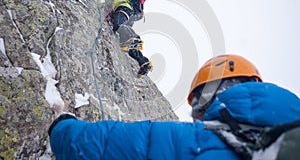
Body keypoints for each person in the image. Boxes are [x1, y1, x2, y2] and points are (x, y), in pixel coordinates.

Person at [48, 54, 300, 160]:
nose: (198, 117)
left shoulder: (194, 140)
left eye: (200, 102)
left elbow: (96, 144)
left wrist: (62, 122)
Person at [87, 0, 152, 78]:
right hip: (126, 14)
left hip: (123, 9)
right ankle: (143, 62)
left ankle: (135, 39)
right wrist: (94, 4)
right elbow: (105, 5)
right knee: (127, 45)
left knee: (118, 26)